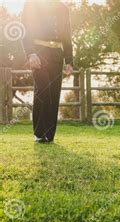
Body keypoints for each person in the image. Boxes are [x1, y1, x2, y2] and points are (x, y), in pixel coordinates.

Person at [21, 0, 74, 144]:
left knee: (54, 94)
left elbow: (67, 35)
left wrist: (69, 60)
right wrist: (31, 53)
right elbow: (25, 30)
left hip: (57, 55)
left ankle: (49, 135)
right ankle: (39, 133)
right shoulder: (31, 4)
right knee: (43, 90)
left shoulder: (63, 8)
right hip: (39, 53)